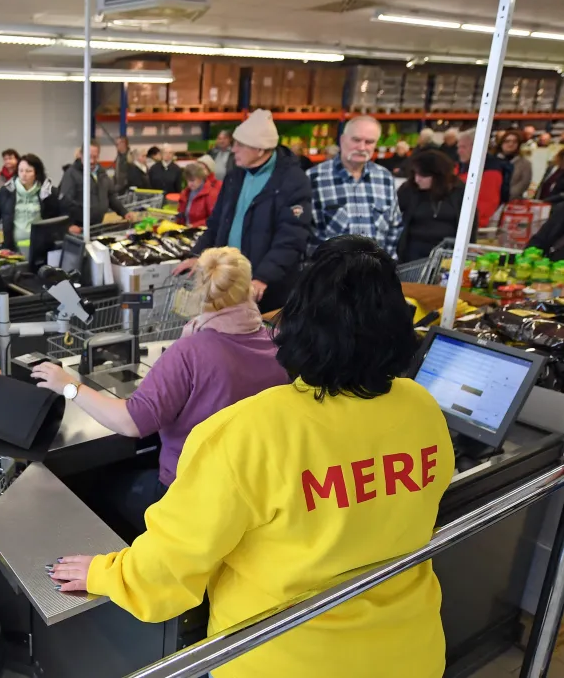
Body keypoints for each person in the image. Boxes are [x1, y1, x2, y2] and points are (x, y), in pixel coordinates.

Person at [50, 235, 454, 678]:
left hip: (283, 660)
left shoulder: (246, 433)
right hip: (410, 654)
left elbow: (163, 577)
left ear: (298, 322)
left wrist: (106, 573)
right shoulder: (421, 407)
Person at [30, 247, 286, 530]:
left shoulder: (191, 351)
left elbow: (130, 422)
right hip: (248, 497)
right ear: (250, 288)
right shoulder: (274, 343)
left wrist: (69, 386)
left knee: (90, 484)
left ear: (199, 292)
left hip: (185, 501)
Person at [174, 109, 312, 313]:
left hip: (265, 290)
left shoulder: (293, 181)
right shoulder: (235, 176)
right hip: (228, 280)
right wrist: (198, 254)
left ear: (260, 149)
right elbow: (216, 223)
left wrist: (263, 278)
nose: (234, 149)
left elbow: (291, 238)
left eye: (240, 145)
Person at [308, 115, 402, 257]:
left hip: (375, 274)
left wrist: (386, 265)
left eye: (369, 142)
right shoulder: (314, 178)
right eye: (356, 140)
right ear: (342, 139)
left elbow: (394, 226)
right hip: (331, 274)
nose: (362, 147)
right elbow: (306, 232)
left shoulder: (384, 178)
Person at [0, 153, 62, 253]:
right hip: (12, 248)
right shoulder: (7, 191)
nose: (24, 174)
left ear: (37, 172)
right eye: (21, 170)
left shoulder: (48, 192)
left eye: (28, 171)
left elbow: (59, 218)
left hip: (40, 248)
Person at [396, 150, 467, 262]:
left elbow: (470, 224)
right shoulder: (408, 189)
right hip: (413, 253)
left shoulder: (459, 191)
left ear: (437, 176)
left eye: (422, 175)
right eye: (415, 173)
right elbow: (393, 217)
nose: (417, 179)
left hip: (448, 253)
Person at [58, 138, 131, 236]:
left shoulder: (102, 174)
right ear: (81, 155)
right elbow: (64, 202)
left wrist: (124, 212)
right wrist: (68, 225)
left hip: (97, 227)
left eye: (95, 157)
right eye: (89, 157)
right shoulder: (71, 174)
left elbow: (110, 197)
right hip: (78, 230)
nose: (92, 161)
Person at [457, 129, 510, 230]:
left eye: (463, 147)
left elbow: (486, 205)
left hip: (475, 228)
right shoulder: (462, 166)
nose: (459, 151)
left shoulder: (491, 172)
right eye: (458, 147)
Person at [176, 162, 221, 228]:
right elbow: (182, 213)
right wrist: (176, 218)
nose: (189, 184)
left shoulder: (211, 194)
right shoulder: (185, 193)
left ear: (200, 178)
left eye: (192, 181)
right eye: (187, 181)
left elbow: (214, 218)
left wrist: (195, 225)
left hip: (202, 232)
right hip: (185, 230)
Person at [496, 130, 533, 201]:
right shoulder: (492, 161)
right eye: (507, 141)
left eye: (514, 142)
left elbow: (524, 183)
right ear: (501, 143)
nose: (510, 144)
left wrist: (505, 196)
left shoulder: (525, 164)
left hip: (513, 201)